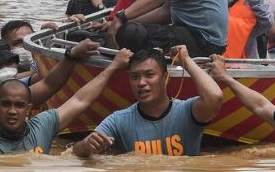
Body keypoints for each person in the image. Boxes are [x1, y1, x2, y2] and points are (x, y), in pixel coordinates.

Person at [0, 49, 133, 165]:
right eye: (6, 105)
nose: (13, 111)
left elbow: (80, 100)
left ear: (29, 109)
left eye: (19, 105)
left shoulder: (43, 124)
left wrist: (112, 67)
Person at [72, 46, 223, 157]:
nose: (141, 83)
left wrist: (186, 61)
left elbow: (215, 97)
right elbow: (75, 152)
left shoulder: (187, 111)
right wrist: (87, 145)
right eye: (135, 77)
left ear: (165, 78)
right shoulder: (119, 120)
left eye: (149, 75)